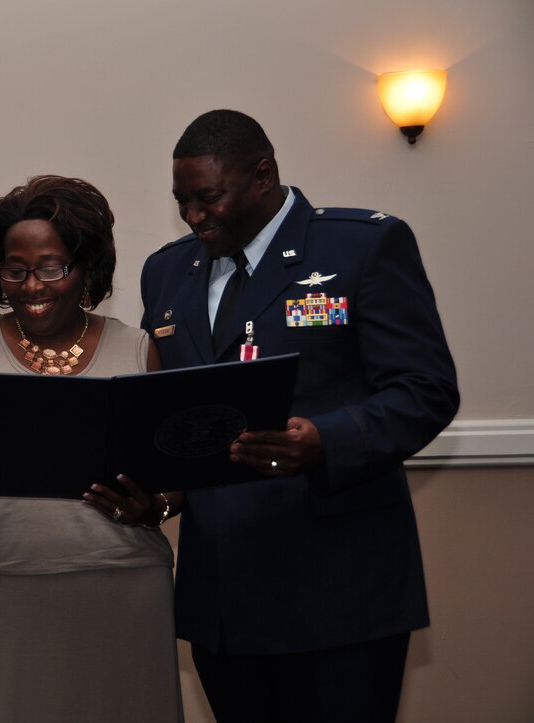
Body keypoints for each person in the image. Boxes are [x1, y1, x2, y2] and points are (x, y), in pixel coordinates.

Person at [140, 109, 459, 723]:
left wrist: (326, 441)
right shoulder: (168, 271)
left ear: (264, 176)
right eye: (181, 201)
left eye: (208, 198)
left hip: (337, 591)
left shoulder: (361, 246)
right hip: (223, 599)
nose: (193, 216)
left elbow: (427, 389)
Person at [0, 175, 185, 722]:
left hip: (121, 586)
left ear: (86, 270)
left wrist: (154, 508)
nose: (32, 285)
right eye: (15, 268)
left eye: (52, 267)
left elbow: (174, 478)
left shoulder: (138, 349)